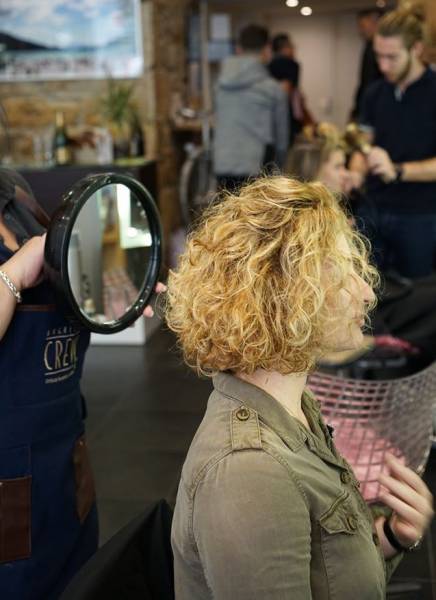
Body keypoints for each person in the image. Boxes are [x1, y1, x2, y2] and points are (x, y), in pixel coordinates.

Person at [166, 175, 433, 599]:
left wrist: (391, 537)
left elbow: (327, 570)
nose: (366, 293)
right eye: (342, 273)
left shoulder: (297, 406)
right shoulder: (249, 473)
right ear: (286, 295)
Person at [0, 168, 162, 599]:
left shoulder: (15, 195)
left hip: (64, 463)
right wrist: (14, 272)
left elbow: (67, 284)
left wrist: (106, 296)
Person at [358, 4, 436, 278]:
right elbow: (363, 143)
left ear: (415, 49)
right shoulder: (375, 93)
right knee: (368, 291)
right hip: (374, 208)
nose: (383, 66)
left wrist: (399, 171)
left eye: (392, 57)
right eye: (379, 56)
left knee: (416, 300)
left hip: (420, 214)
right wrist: (355, 172)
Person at [213, 25, 289, 192]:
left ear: (238, 48)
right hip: (256, 167)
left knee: (227, 215)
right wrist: (280, 171)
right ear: (267, 49)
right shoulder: (273, 89)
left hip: (222, 163)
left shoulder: (220, 85)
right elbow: (282, 140)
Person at [351, 8, 384, 120]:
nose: (360, 31)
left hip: (376, 106)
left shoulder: (379, 48)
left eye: (363, 26)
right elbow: (365, 81)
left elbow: (371, 81)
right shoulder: (368, 47)